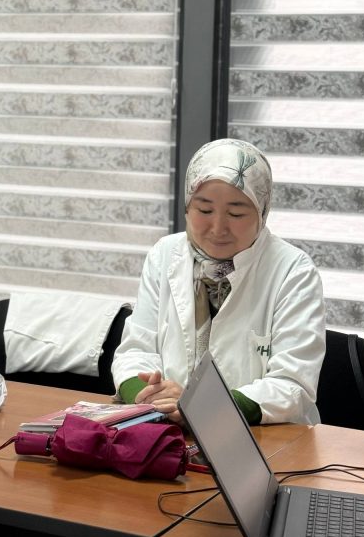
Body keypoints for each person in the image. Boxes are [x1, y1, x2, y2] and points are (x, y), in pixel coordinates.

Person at [112, 138, 326, 425]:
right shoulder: (165, 254)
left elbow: (292, 384)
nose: (218, 228)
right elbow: (135, 351)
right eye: (204, 210)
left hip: (265, 437)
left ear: (262, 212)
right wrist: (149, 399)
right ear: (187, 207)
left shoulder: (293, 270)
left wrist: (202, 408)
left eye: (236, 213)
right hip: (168, 430)